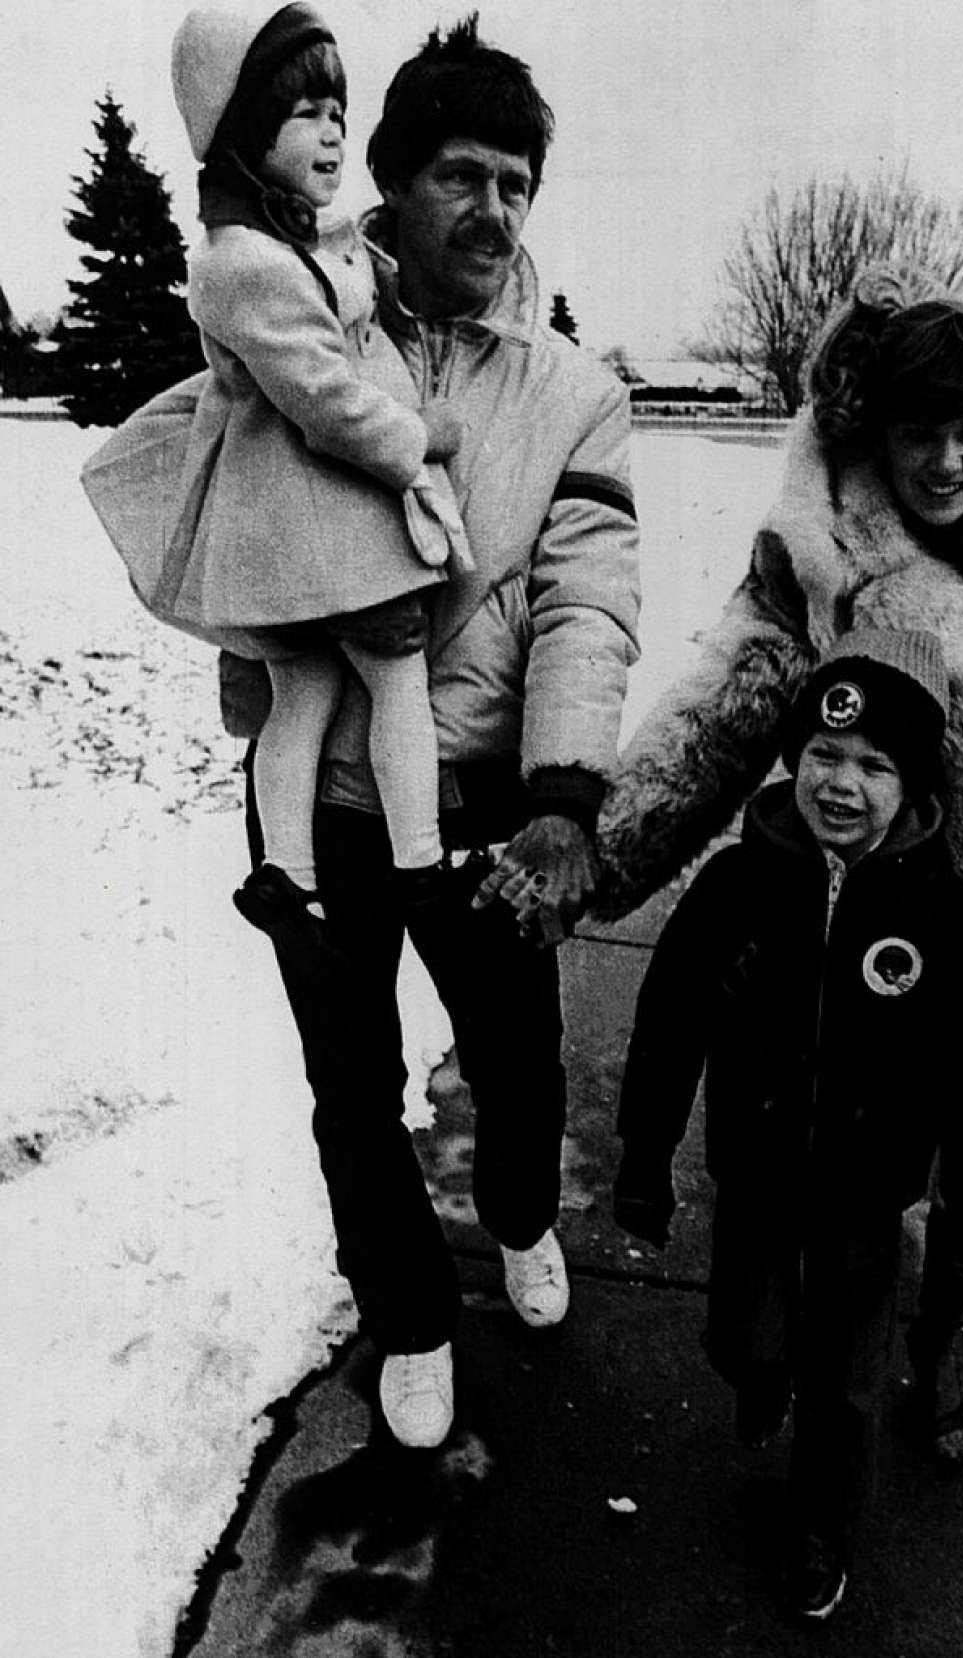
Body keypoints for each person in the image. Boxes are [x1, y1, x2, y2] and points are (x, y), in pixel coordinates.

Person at [207, 14, 640, 1449]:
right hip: (327, 785)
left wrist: (566, 793)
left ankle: (518, 1216)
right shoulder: (309, 322)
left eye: (518, 181)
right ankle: (405, 1313)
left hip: (485, 800)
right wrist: (257, 655)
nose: (495, 209)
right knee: (352, 1088)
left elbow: (588, 604)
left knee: (517, 1061)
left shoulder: (578, 396)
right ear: (387, 178)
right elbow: (230, 500)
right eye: (462, 173)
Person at [597, 266, 963, 1224]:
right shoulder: (820, 554)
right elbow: (722, 710)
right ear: (878, 430)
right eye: (920, 434)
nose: (949, 462)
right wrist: (597, 858)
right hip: (884, 942)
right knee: (860, 1203)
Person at [613, 628, 963, 1621]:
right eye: (825, 757)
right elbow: (669, 1020)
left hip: (866, 1204)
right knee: (749, 1338)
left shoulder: (940, 911)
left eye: (875, 765)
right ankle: (759, 1375)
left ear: (912, 785)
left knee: (846, 1381)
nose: (843, 783)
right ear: (794, 760)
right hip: (755, 1176)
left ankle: (823, 1523)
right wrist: (646, 1153)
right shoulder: (735, 887)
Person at [159, 4, 476, 942]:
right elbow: (327, 401)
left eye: (339, 107)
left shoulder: (279, 241)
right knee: (397, 674)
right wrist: (419, 437)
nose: (333, 128)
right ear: (241, 135)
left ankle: (285, 872)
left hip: (295, 533)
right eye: (304, 112)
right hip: (322, 523)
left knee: (303, 694)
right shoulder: (244, 262)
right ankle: (420, 858)